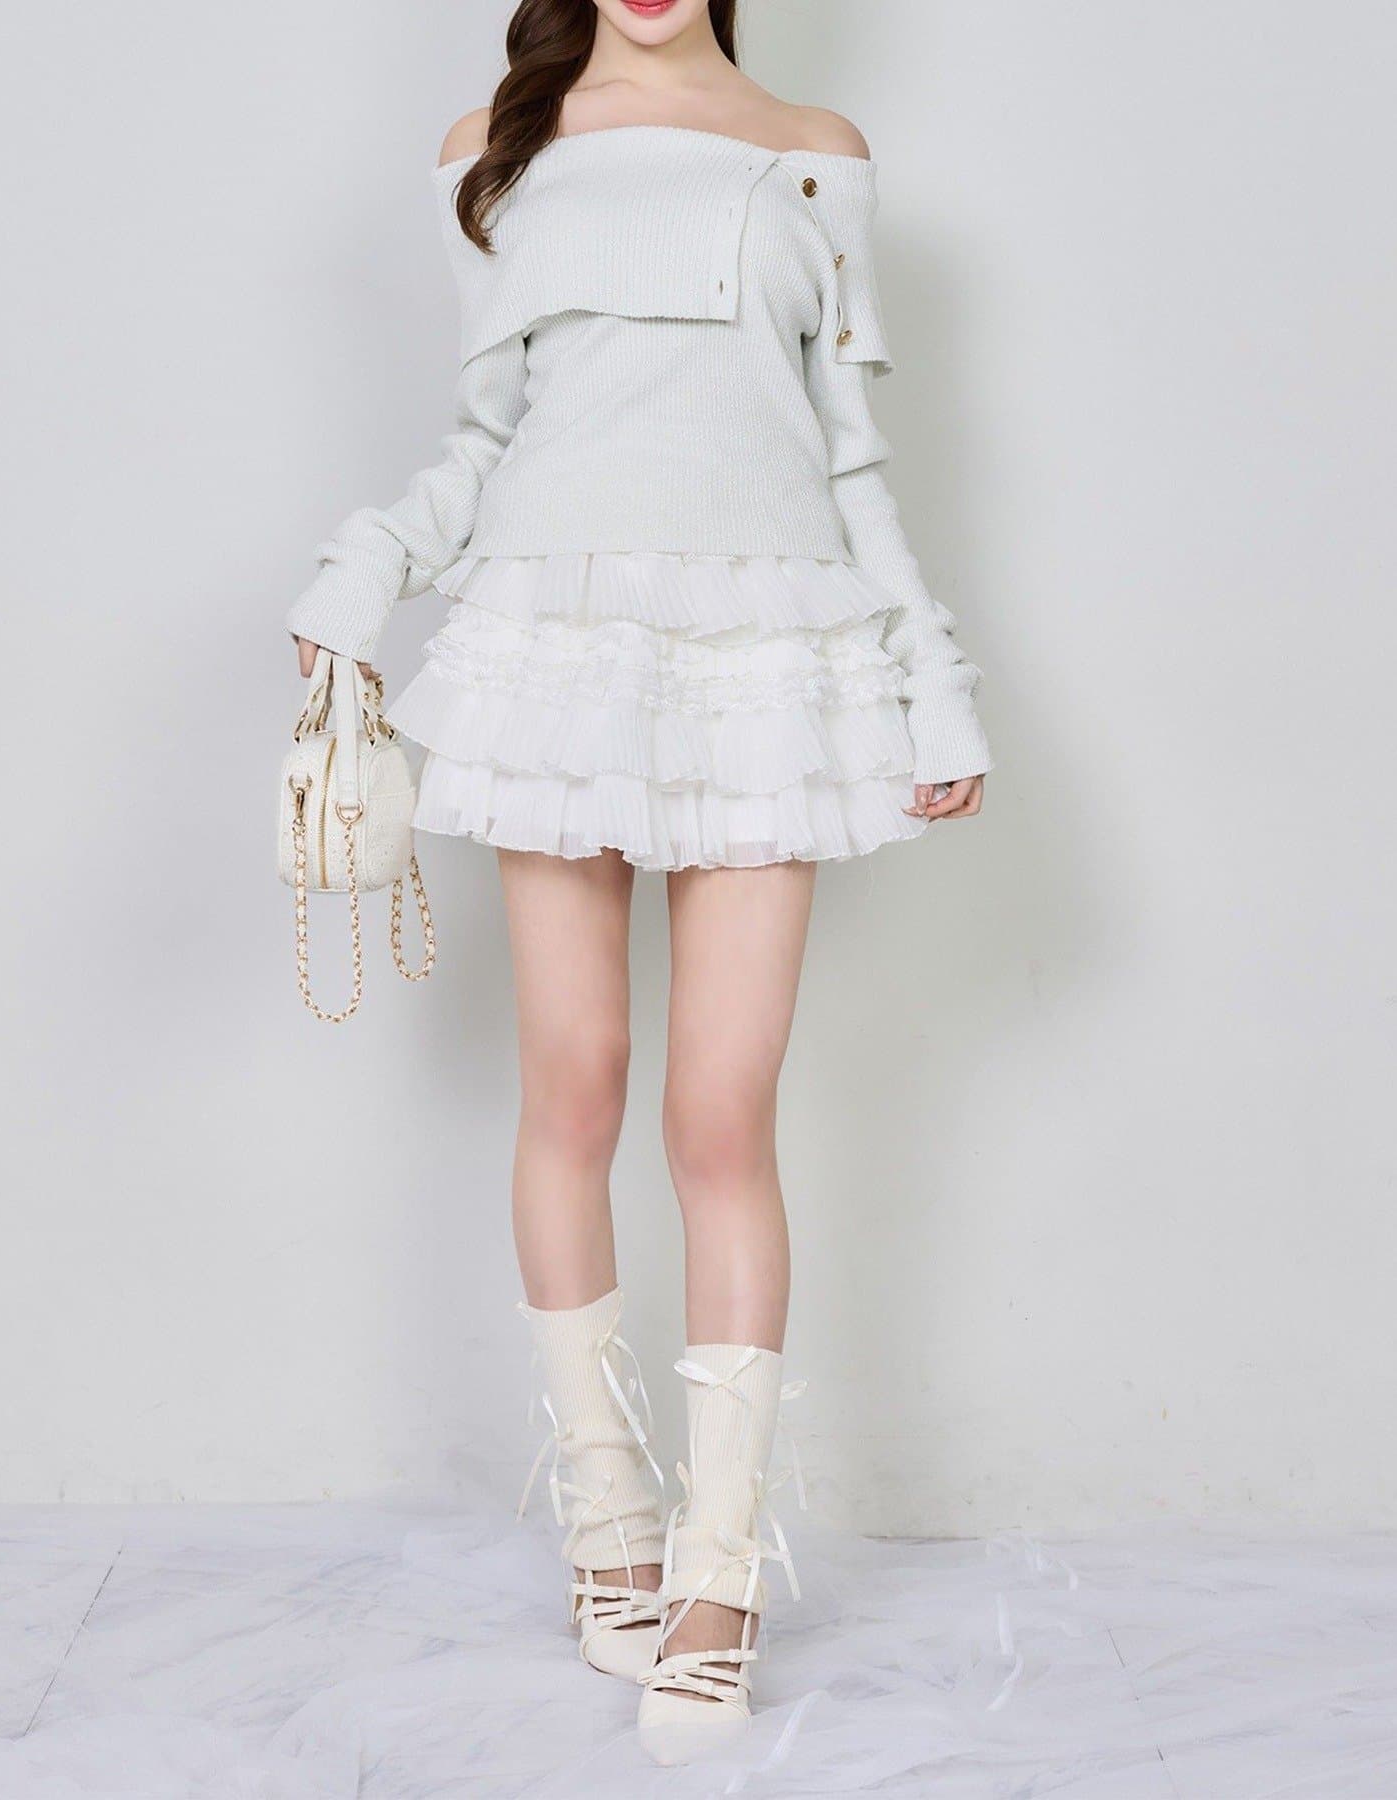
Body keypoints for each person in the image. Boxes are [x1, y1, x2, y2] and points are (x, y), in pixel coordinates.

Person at [286, 0, 989, 1765]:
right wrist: (358, 577)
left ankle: (718, 1579)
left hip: (767, 656)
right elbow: (487, 439)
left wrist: (935, 680)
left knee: (719, 1113)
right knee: (575, 1082)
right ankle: (609, 1518)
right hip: (559, 640)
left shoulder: (816, 153)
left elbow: (847, 448)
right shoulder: (496, 152)